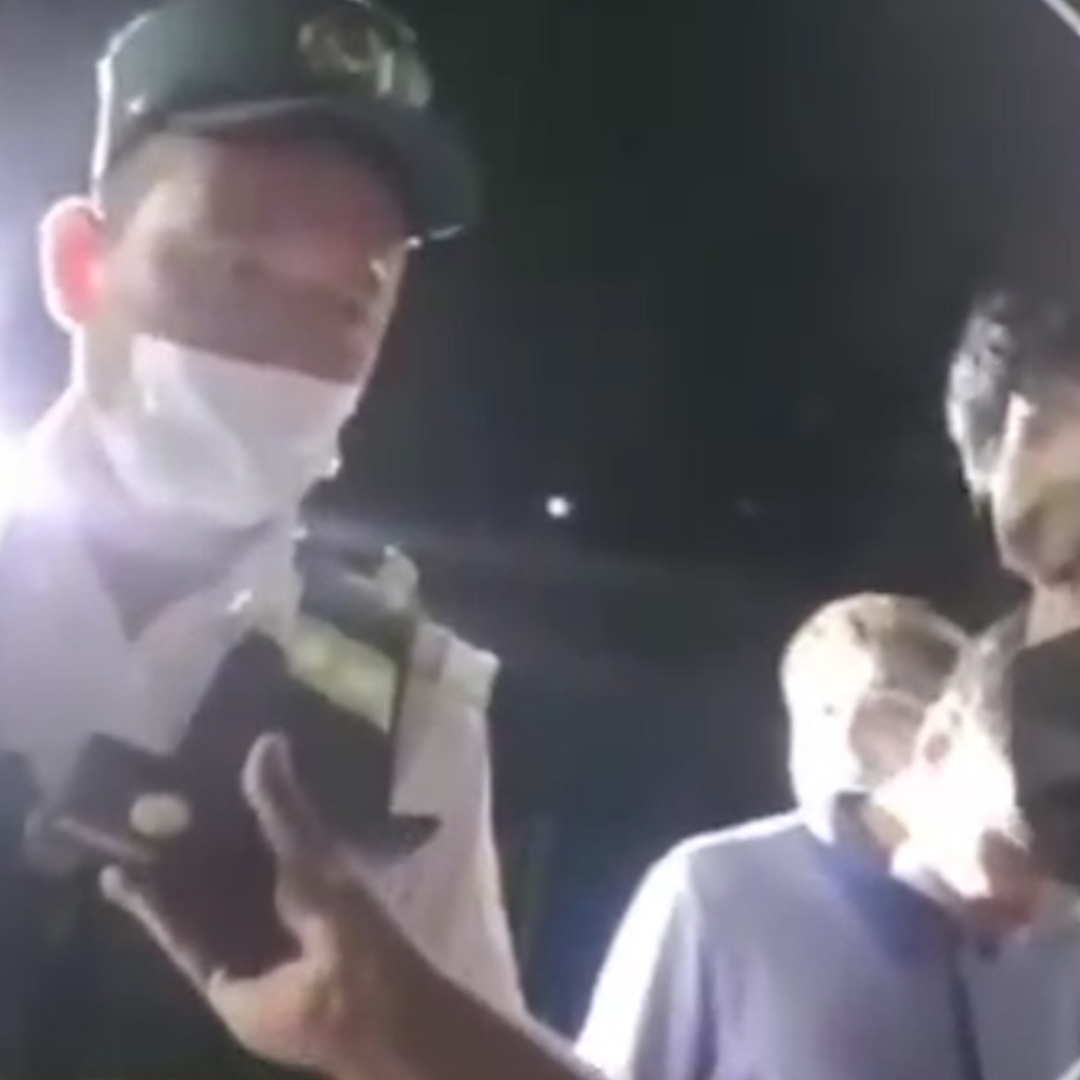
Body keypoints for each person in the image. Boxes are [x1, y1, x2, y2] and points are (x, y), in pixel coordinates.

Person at [0, 0, 520, 1076]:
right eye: (240, 271)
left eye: (349, 305)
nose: (285, 351)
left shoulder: (416, 711)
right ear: (80, 266)